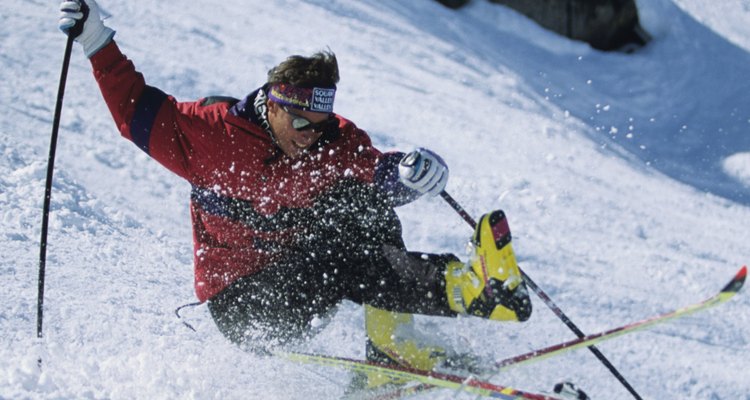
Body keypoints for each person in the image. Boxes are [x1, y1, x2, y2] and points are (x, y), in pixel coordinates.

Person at [58, 0, 532, 382]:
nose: (310, 135)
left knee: (366, 208)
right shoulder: (213, 136)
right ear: (274, 102)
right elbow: (135, 110)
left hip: (303, 277)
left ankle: (391, 350)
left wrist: (411, 175)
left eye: (320, 125)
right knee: (338, 259)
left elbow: (375, 174)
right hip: (244, 305)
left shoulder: (331, 140)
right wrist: (97, 40)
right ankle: (470, 289)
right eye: (301, 123)